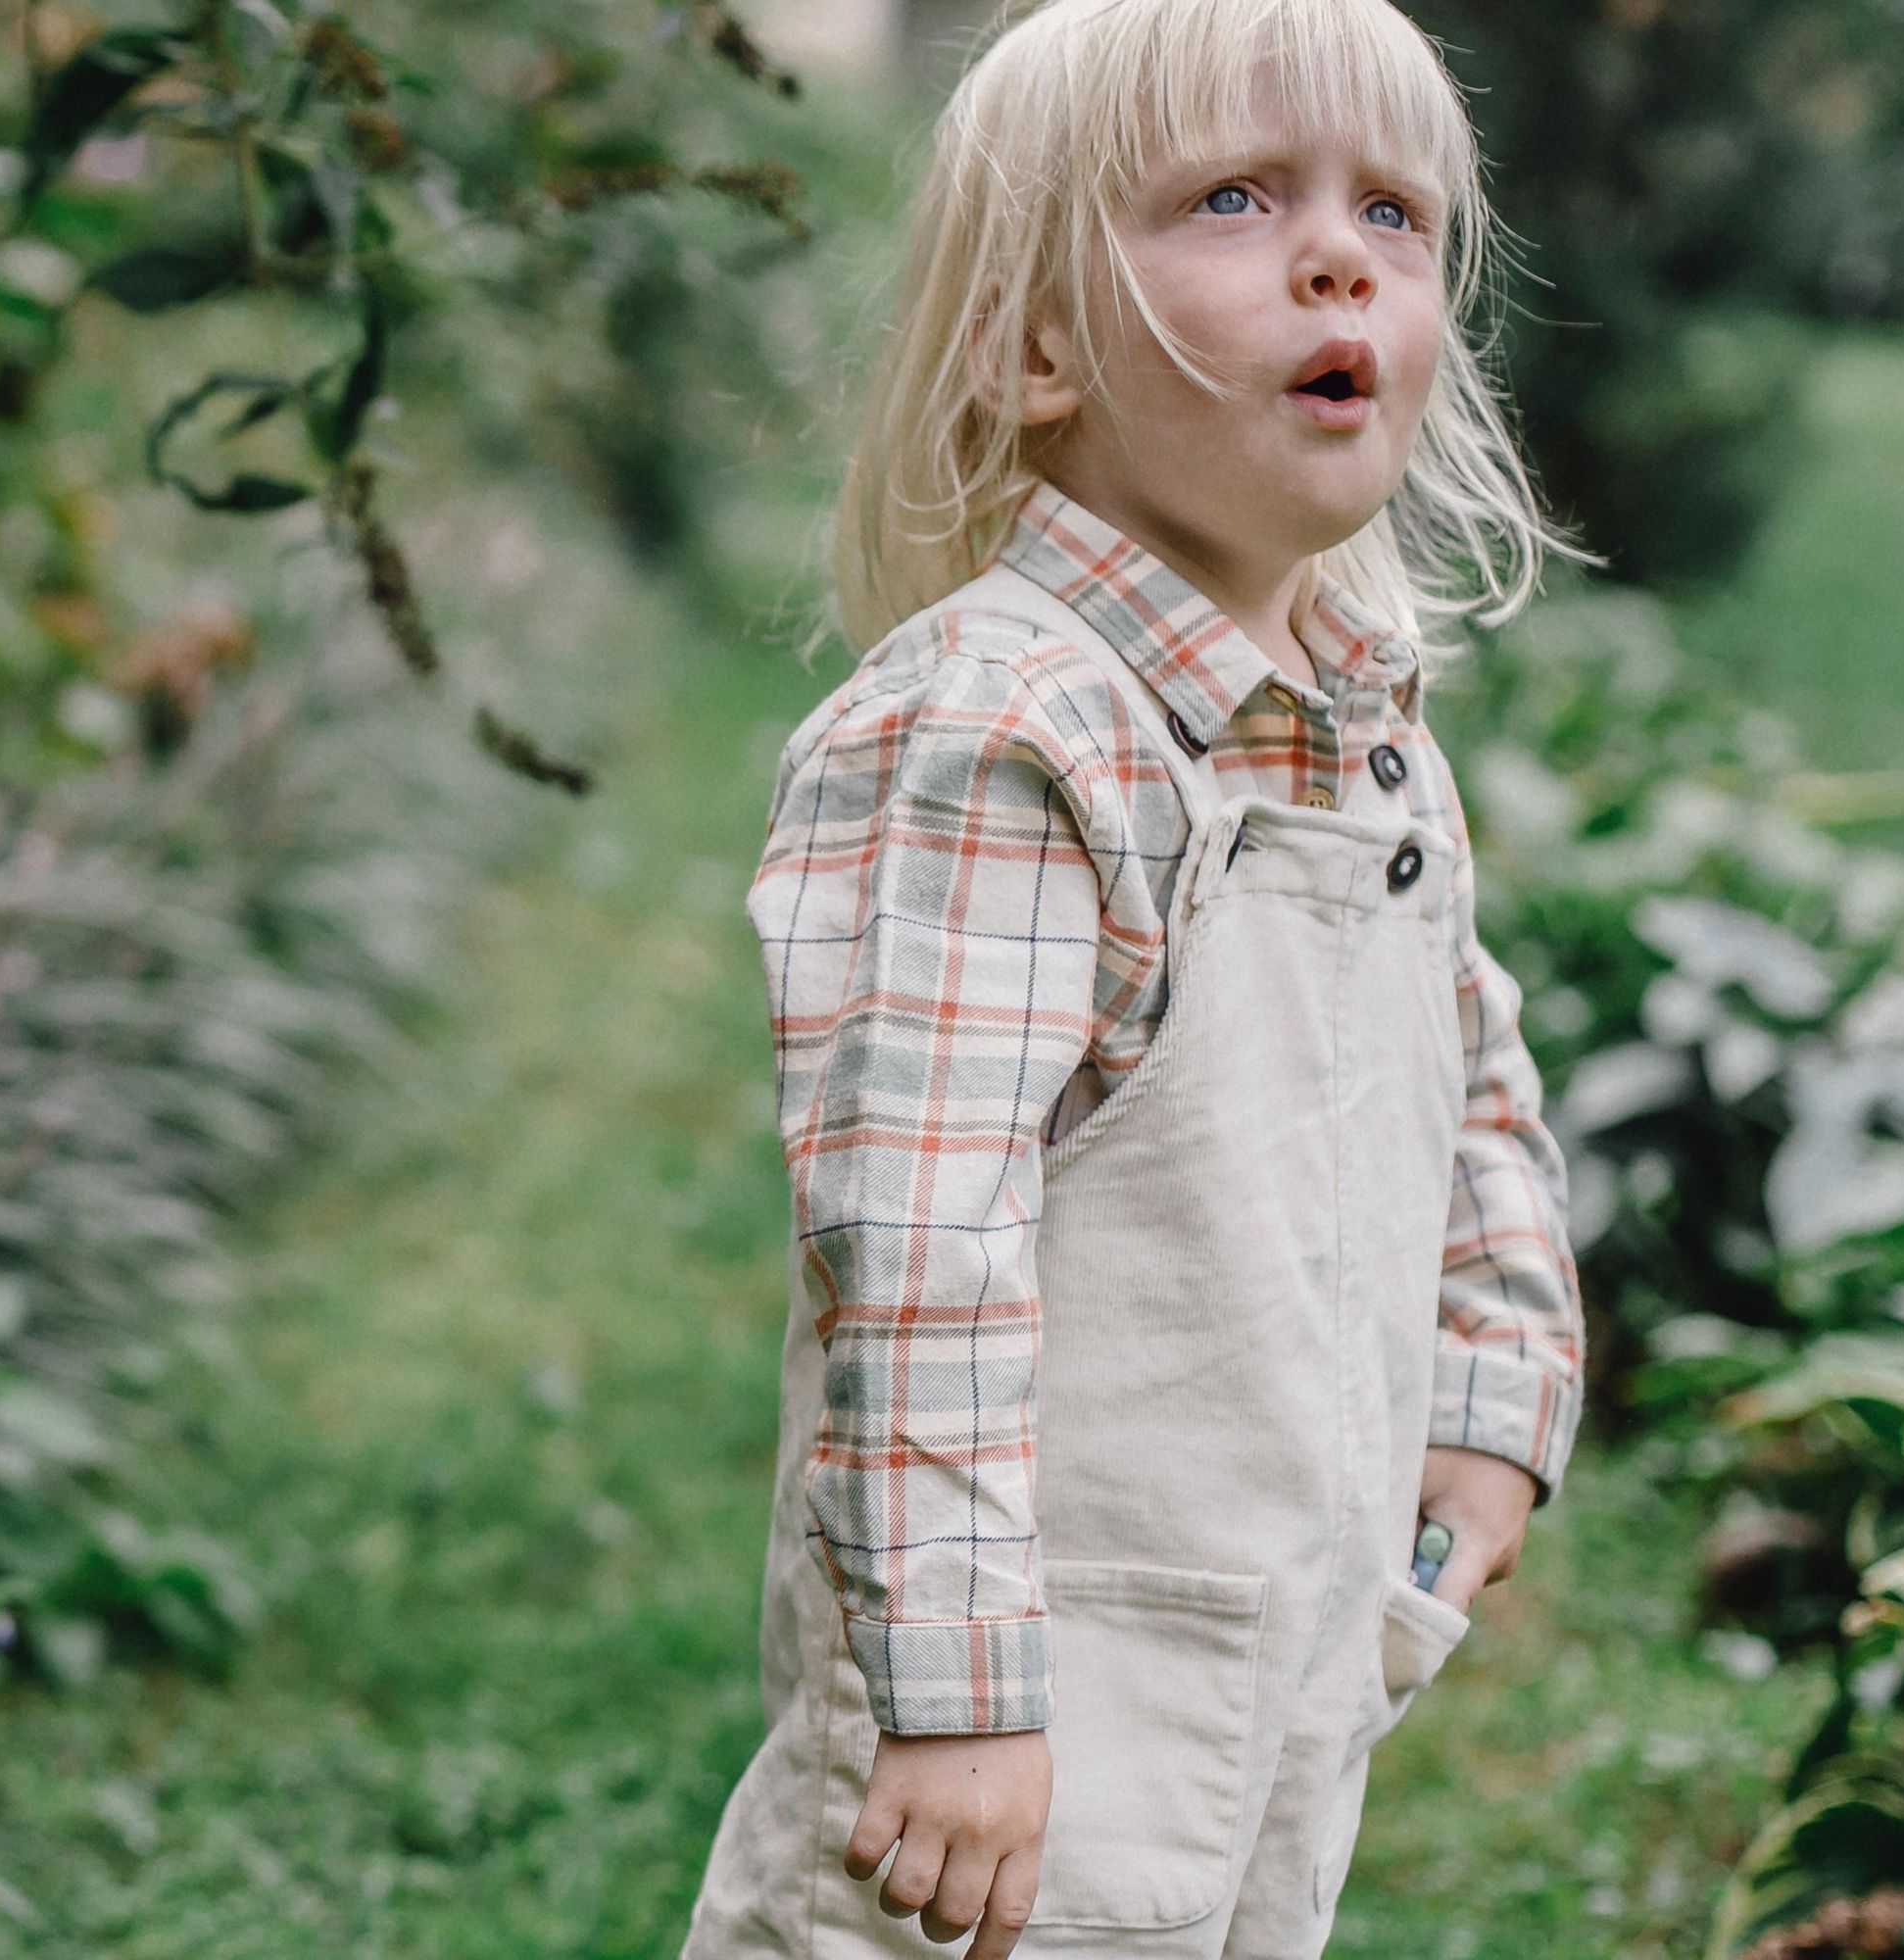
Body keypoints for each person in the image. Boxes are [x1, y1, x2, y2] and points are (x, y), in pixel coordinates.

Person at [682, 0, 1599, 1954]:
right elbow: (915, 1234)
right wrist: (952, 1697)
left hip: (1275, 1642)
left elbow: (1465, 1057)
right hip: (1028, 1696)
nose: (1337, 252)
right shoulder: (1001, 732)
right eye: (1232, 197)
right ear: (1032, 350)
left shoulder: (1353, 722)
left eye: (1393, 211)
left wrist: (1497, 1372)